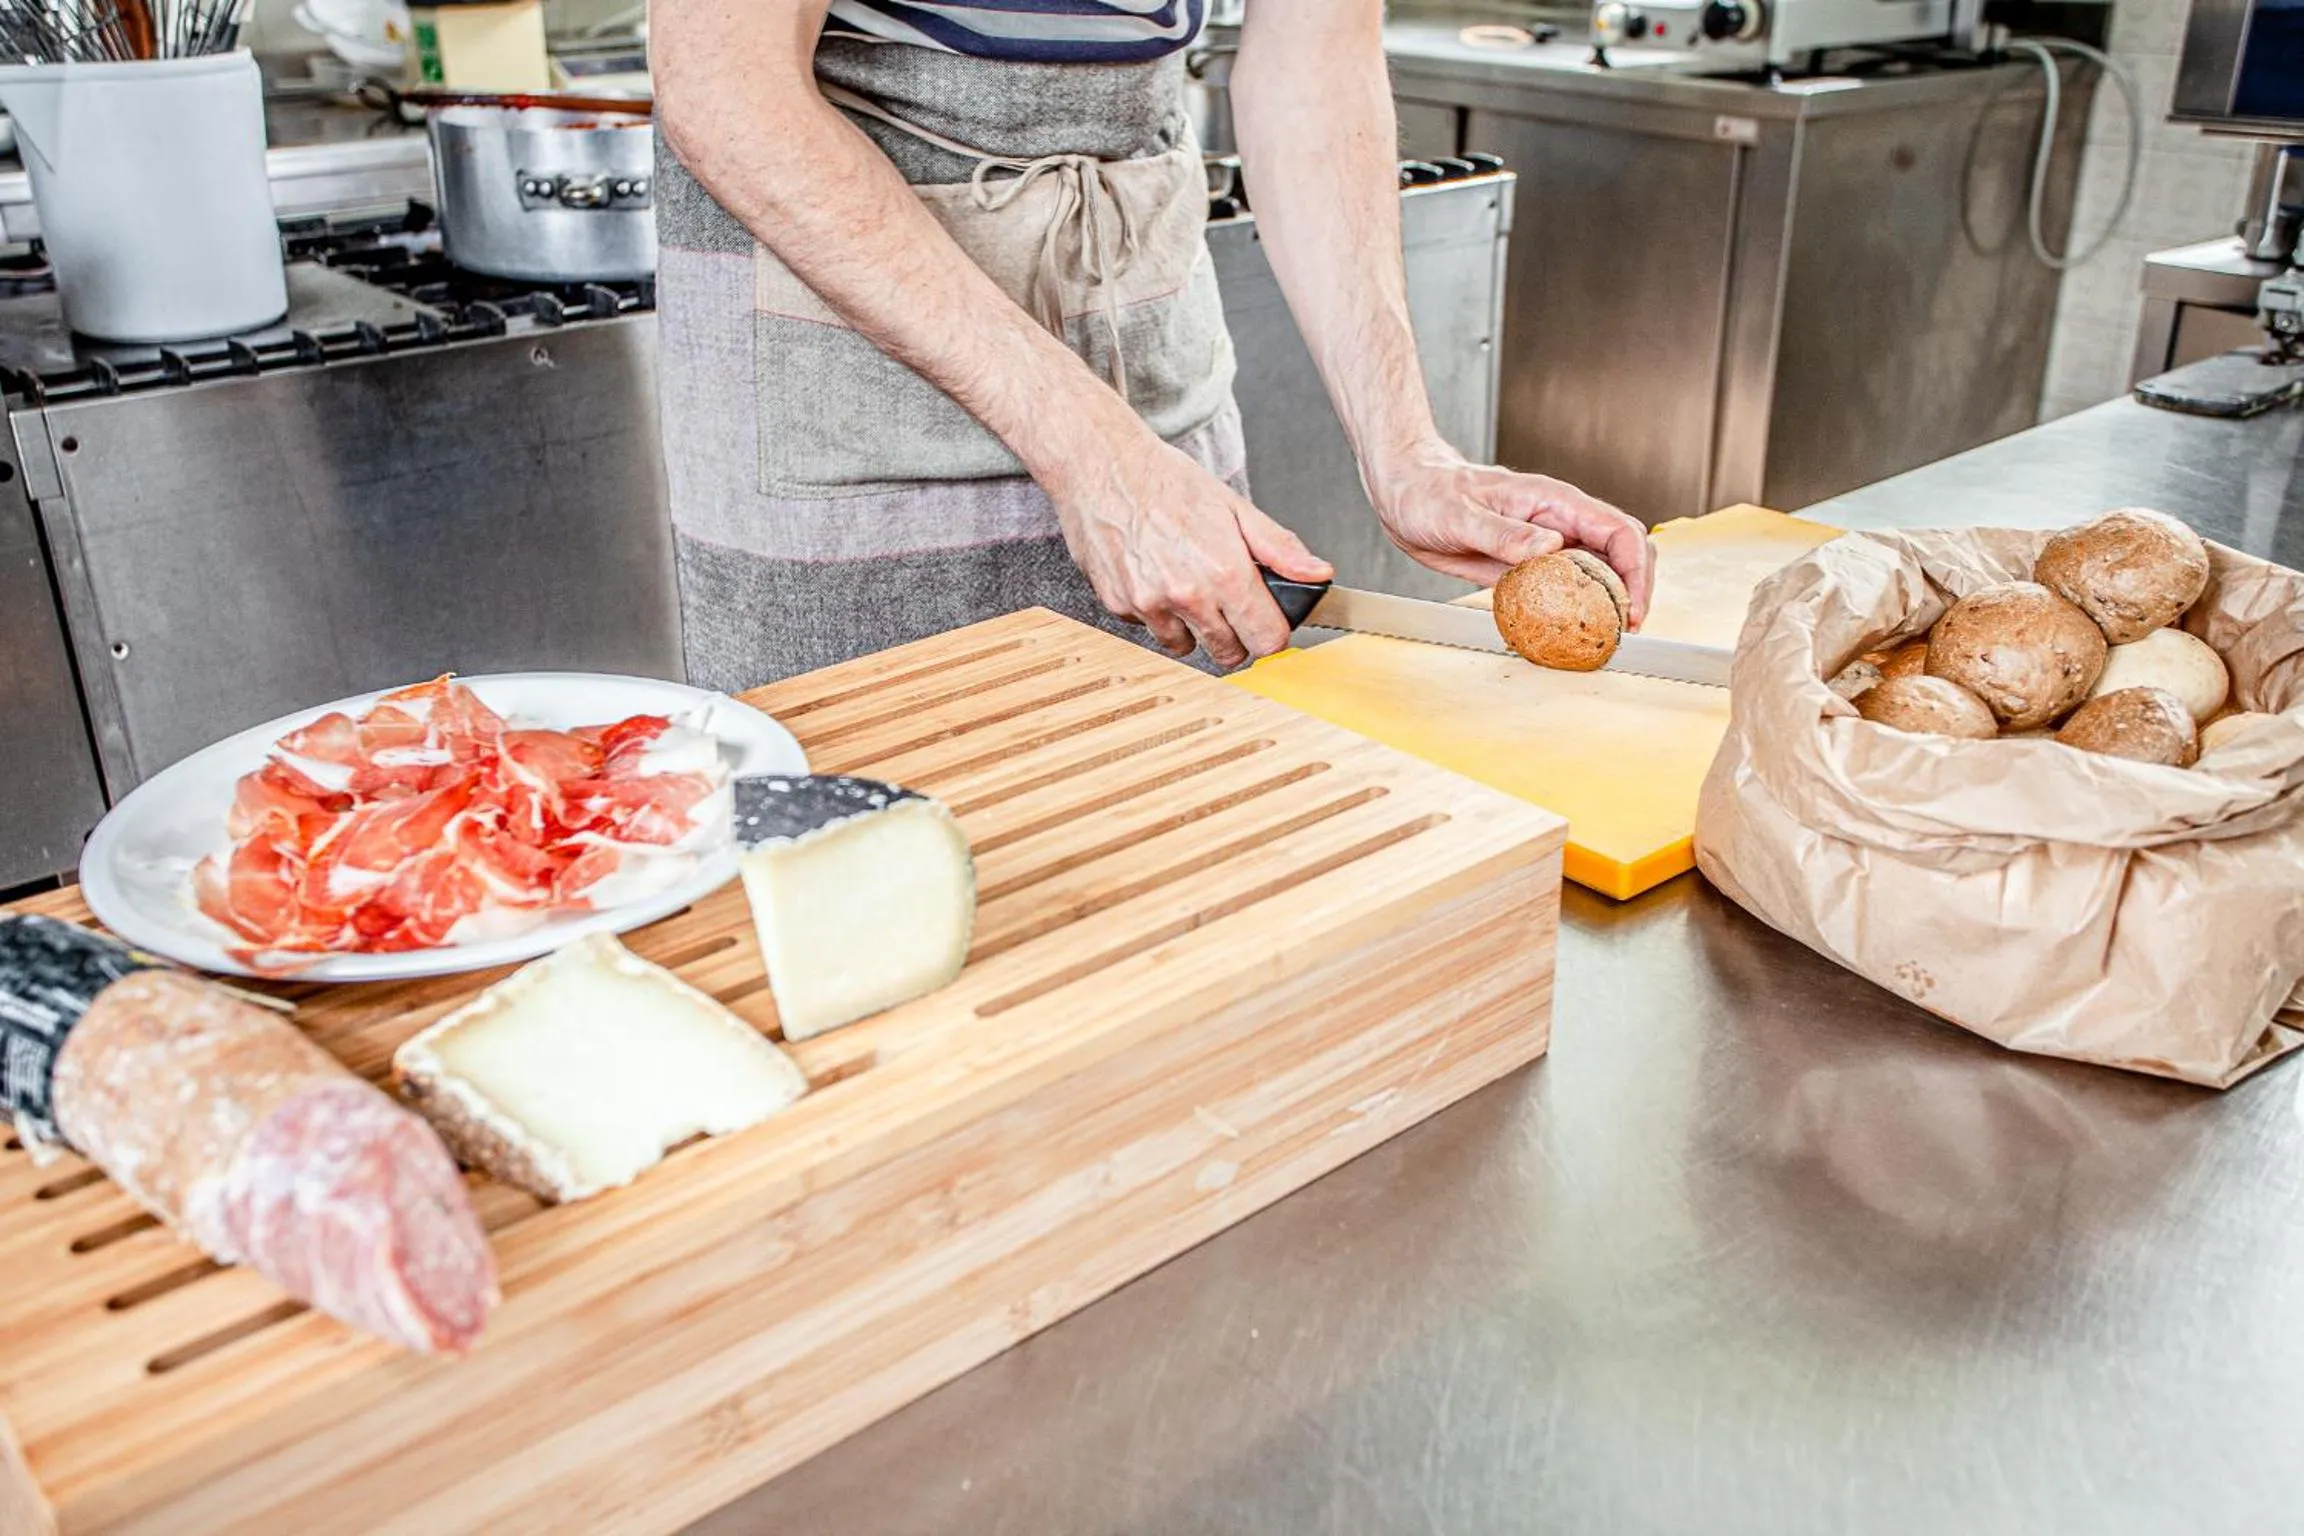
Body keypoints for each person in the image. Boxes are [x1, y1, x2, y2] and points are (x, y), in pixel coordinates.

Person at [651, 0, 1654, 690]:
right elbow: (728, 87)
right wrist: (1096, 454)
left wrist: (1407, 449)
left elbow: (1317, 60)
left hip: (1145, 365)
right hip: (845, 388)